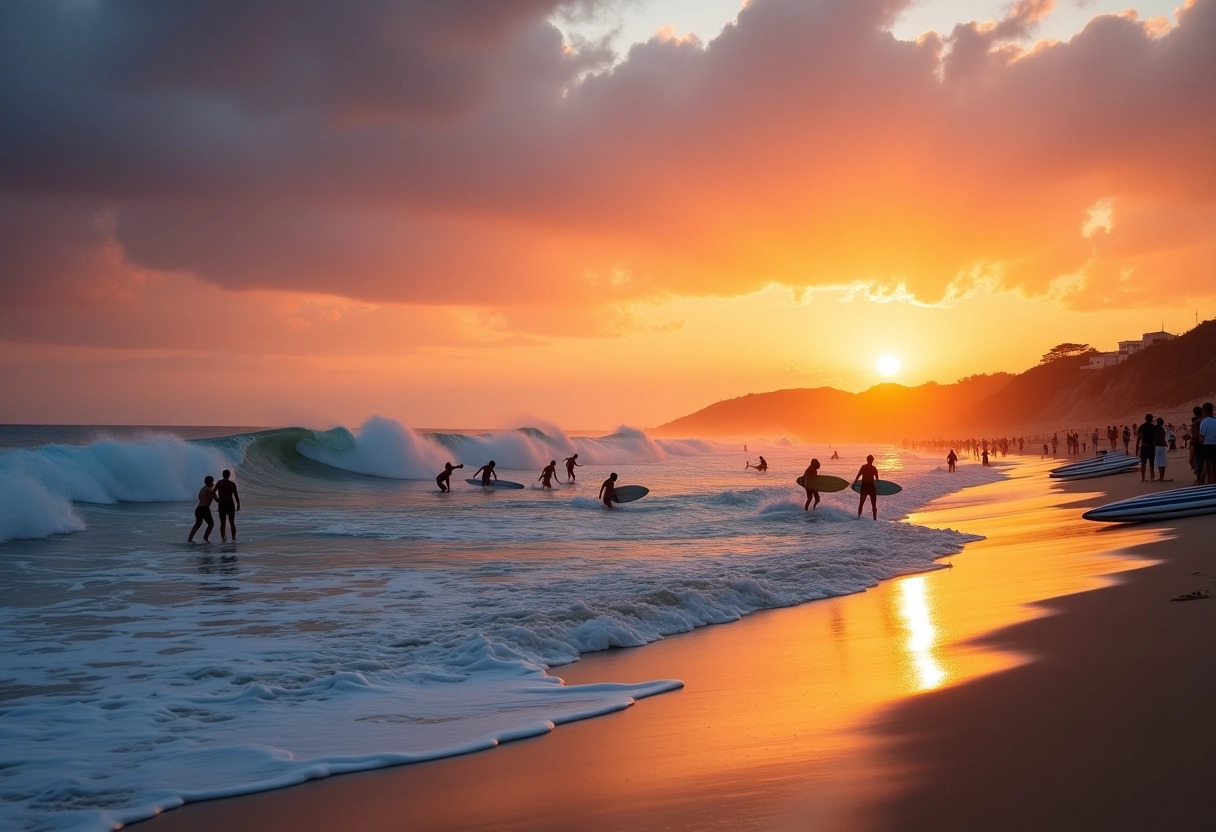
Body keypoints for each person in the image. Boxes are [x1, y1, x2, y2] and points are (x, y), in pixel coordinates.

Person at [188, 475, 216, 543]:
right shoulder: (210, 490)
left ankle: (190, 539)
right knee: (211, 524)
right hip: (204, 509)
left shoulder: (203, 489)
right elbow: (217, 500)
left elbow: (200, 498)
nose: (213, 483)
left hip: (198, 509)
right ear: (209, 482)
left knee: (198, 524)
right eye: (212, 481)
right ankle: (205, 539)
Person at [214, 469, 240, 542]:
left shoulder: (219, 483)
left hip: (222, 504)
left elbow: (213, 492)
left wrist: (217, 499)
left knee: (223, 523)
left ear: (223, 475)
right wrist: (238, 504)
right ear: (229, 475)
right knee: (232, 522)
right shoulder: (232, 484)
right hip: (230, 504)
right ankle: (234, 538)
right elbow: (236, 496)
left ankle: (223, 538)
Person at [853, 455, 879, 520]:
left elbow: (858, 475)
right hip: (871, 487)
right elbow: (877, 479)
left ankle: (858, 517)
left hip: (864, 486)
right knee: (873, 505)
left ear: (867, 460)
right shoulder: (874, 468)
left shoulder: (863, 467)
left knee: (861, 504)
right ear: (872, 460)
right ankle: (875, 519)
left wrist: (855, 483)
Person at [1135, 413, 1157, 482]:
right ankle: (1152, 477)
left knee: (1143, 462)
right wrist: (1154, 447)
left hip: (1144, 446)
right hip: (1151, 446)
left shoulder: (1142, 426)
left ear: (1145, 418)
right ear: (1152, 419)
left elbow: (1139, 437)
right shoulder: (1153, 427)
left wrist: (1137, 448)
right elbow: (1155, 439)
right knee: (1151, 462)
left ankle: (1143, 478)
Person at [1200, 402, 1216, 485]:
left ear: (1204, 411)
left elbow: (1202, 436)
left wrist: (1202, 443)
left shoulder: (1204, 422)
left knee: (1208, 467)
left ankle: (1209, 484)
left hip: (1207, 446)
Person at [1153, 418, 1170, 482]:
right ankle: (1162, 476)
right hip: (1162, 446)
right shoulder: (1163, 429)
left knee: (1159, 462)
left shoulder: (1156, 428)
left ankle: (1161, 477)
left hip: (1158, 446)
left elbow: (1156, 438)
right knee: (1162, 461)